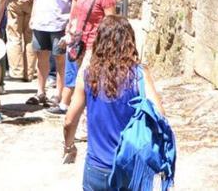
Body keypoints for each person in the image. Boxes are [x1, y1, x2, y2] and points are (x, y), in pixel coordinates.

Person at [62, 16, 165, 184]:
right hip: (131, 168)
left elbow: (69, 121)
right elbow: (159, 116)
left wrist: (69, 146)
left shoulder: (87, 76)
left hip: (97, 168)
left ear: (99, 42)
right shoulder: (139, 75)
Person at [30, 0, 75, 107]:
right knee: (41, 57)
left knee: (60, 59)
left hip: (59, 21)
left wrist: (70, 22)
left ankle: (58, 94)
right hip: (41, 20)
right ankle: (40, 92)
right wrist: (33, 15)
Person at [49, 0, 89, 116]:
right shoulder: (79, 2)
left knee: (72, 75)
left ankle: (65, 105)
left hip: (77, 44)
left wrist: (70, 35)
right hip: (73, 41)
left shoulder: (85, 2)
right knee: (71, 74)